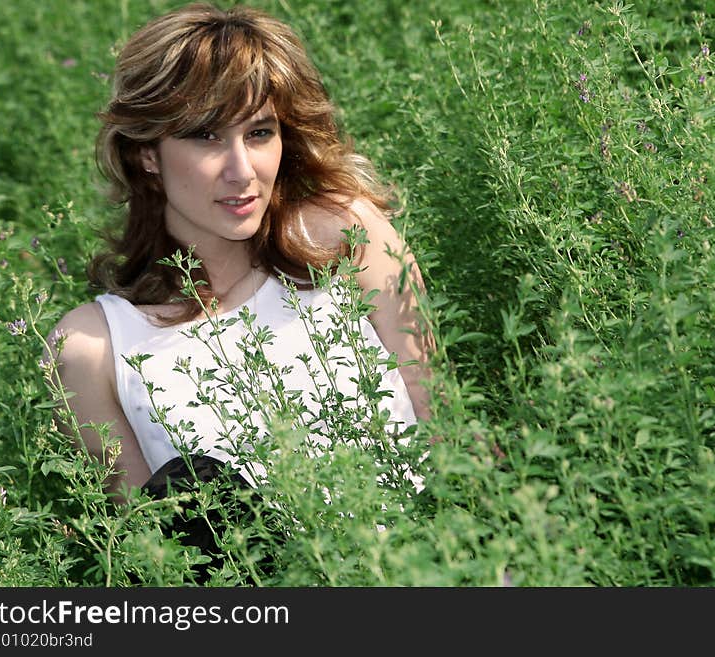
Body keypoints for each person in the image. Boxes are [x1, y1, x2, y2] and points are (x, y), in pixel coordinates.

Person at [45, 2, 432, 514]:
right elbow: (151, 560)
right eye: (206, 136)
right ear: (146, 153)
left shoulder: (345, 240)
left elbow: (450, 432)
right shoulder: (90, 349)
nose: (241, 170)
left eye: (258, 132)